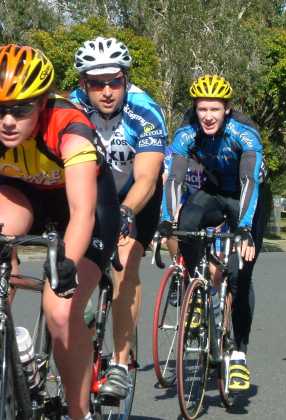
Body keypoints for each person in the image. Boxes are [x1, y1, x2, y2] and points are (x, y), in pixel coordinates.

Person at [0, 44, 119, 419]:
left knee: (61, 310)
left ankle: (79, 412)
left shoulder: (70, 127)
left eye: (20, 109)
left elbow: (82, 212)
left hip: (83, 209)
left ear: (42, 103)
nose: (8, 121)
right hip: (24, 198)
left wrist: (65, 264)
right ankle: (11, 341)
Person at [71, 37, 166, 400]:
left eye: (115, 81)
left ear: (126, 79)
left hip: (137, 197)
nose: (107, 91)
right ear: (84, 84)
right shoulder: (72, 108)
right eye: (97, 84)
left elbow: (147, 178)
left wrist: (125, 212)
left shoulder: (145, 111)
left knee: (124, 263)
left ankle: (121, 364)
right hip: (92, 194)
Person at [160, 74, 266, 392]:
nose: (207, 116)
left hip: (248, 199)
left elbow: (249, 182)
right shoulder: (187, 132)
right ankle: (196, 291)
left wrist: (244, 228)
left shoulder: (244, 133)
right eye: (202, 109)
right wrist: (166, 219)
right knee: (187, 223)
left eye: (215, 109)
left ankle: (239, 355)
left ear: (227, 109)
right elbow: (175, 178)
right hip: (214, 193)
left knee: (240, 275)